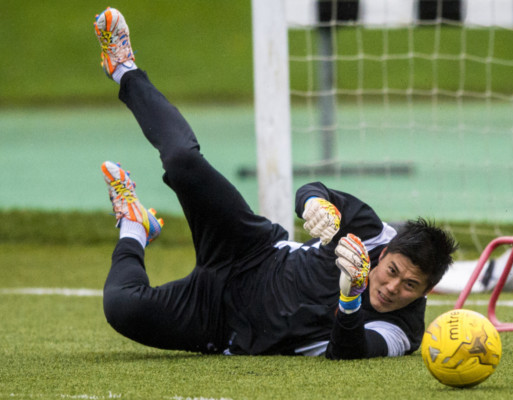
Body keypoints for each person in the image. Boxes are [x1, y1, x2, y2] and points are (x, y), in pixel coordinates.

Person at [95, 7, 458, 359]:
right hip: (251, 251)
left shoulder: (404, 330)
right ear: (387, 253)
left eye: (410, 286)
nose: (392, 288)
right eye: (393, 271)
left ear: (427, 290)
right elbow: (315, 190)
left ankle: (134, 227)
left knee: (122, 307)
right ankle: (124, 69)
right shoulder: (370, 232)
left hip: (222, 326)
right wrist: (315, 205)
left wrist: (350, 299)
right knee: (182, 161)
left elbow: (351, 352)